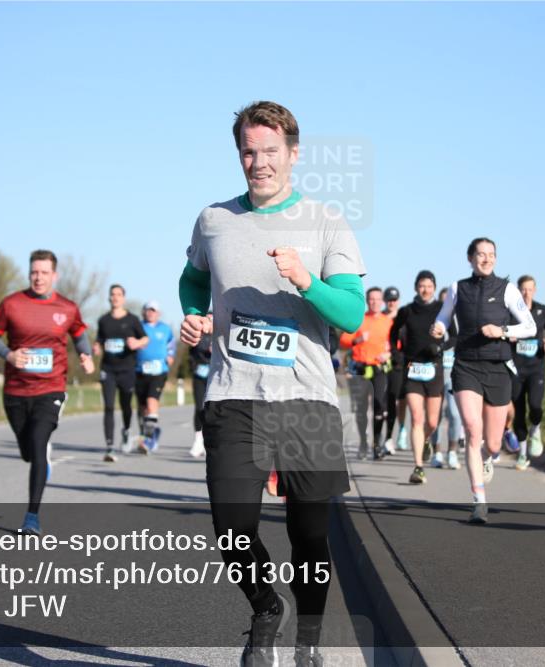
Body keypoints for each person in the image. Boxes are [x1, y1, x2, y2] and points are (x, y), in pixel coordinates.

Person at [178, 101, 365, 667]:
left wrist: (307, 279)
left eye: (270, 151)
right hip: (234, 394)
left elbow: (352, 314)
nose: (259, 162)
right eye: (248, 151)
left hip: (306, 399)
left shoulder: (326, 222)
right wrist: (195, 316)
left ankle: (308, 642)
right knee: (232, 527)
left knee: (309, 537)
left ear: (293, 154)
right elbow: (192, 278)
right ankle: (265, 607)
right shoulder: (214, 219)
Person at [0, 250, 93, 535]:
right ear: (29, 272)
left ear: (54, 275)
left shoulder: (68, 308)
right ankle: (38, 456)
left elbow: (80, 333)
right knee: (28, 451)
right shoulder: (12, 304)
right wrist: (8, 355)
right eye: (34, 272)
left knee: (39, 442)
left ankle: (31, 517)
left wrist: (86, 355)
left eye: (44, 273)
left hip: (51, 388)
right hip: (15, 391)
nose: (38, 277)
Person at [432, 238, 536, 524]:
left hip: (498, 367)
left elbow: (530, 327)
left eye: (491, 255)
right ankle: (479, 499)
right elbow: (443, 317)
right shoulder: (457, 288)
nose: (486, 259)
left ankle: (489, 456)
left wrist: (502, 330)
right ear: (470, 258)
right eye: (481, 254)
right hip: (466, 366)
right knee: (472, 429)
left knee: (491, 441)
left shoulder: (507, 289)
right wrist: (438, 328)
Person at [391, 271, 446, 484]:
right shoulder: (407, 311)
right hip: (412, 369)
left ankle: (427, 440)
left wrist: (441, 347)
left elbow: (456, 336)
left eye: (429, 286)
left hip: (434, 370)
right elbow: (393, 333)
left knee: (432, 422)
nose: (426, 289)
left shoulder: (442, 310)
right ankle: (418, 467)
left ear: (434, 288)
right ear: (416, 288)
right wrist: (398, 355)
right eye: (422, 286)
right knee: (416, 417)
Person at [504, 276, 545, 471]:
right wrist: (507, 335)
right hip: (516, 369)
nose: (526, 293)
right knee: (519, 412)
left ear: (535, 290)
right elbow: (502, 331)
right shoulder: (511, 312)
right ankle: (523, 454)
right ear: (518, 291)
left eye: (529, 289)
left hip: (536, 368)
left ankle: (536, 429)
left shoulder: (542, 310)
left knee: (535, 405)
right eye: (523, 289)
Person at [93, 284, 148, 461]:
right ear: (109, 298)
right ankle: (109, 447)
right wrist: (96, 347)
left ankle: (126, 429)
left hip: (127, 370)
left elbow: (145, 338)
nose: (115, 297)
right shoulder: (103, 320)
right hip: (108, 369)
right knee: (108, 407)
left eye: (118, 294)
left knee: (126, 405)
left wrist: (137, 344)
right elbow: (99, 340)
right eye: (112, 294)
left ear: (123, 298)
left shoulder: (132, 320)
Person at [340, 287, 393, 460]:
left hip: (379, 369)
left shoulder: (388, 322)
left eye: (378, 299)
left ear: (382, 301)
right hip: (360, 369)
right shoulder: (359, 319)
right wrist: (358, 339)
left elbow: (397, 344)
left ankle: (376, 444)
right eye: (371, 299)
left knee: (379, 406)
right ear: (367, 301)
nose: (374, 302)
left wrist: (389, 353)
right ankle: (363, 442)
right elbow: (344, 341)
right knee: (361, 409)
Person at [134, 301, 174, 454]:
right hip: (139, 370)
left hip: (159, 371)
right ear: (143, 312)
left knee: (152, 402)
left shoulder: (165, 329)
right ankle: (151, 432)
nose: (150, 313)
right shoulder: (138, 326)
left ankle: (148, 439)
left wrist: (170, 356)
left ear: (158, 313)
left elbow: (171, 344)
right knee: (142, 407)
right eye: (147, 310)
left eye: (153, 310)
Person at [429, 287, 462, 470]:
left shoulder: (458, 320)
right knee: (436, 415)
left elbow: (457, 338)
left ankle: (452, 452)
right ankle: (437, 453)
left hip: (453, 371)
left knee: (455, 414)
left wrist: (444, 346)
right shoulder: (433, 320)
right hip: (435, 371)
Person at [381, 286, 409, 455]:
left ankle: (402, 429)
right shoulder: (380, 317)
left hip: (400, 363)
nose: (392, 303)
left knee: (401, 400)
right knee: (385, 401)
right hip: (381, 363)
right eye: (389, 300)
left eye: (394, 300)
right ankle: (385, 435)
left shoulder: (403, 318)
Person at [188, 311, 213, 458]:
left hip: (216, 377)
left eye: (212, 318)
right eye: (207, 318)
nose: (209, 321)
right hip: (200, 375)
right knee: (199, 407)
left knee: (212, 409)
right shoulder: (197, 335)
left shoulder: (222, 334)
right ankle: (198, 439)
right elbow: (191, 351)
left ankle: (210, 440)